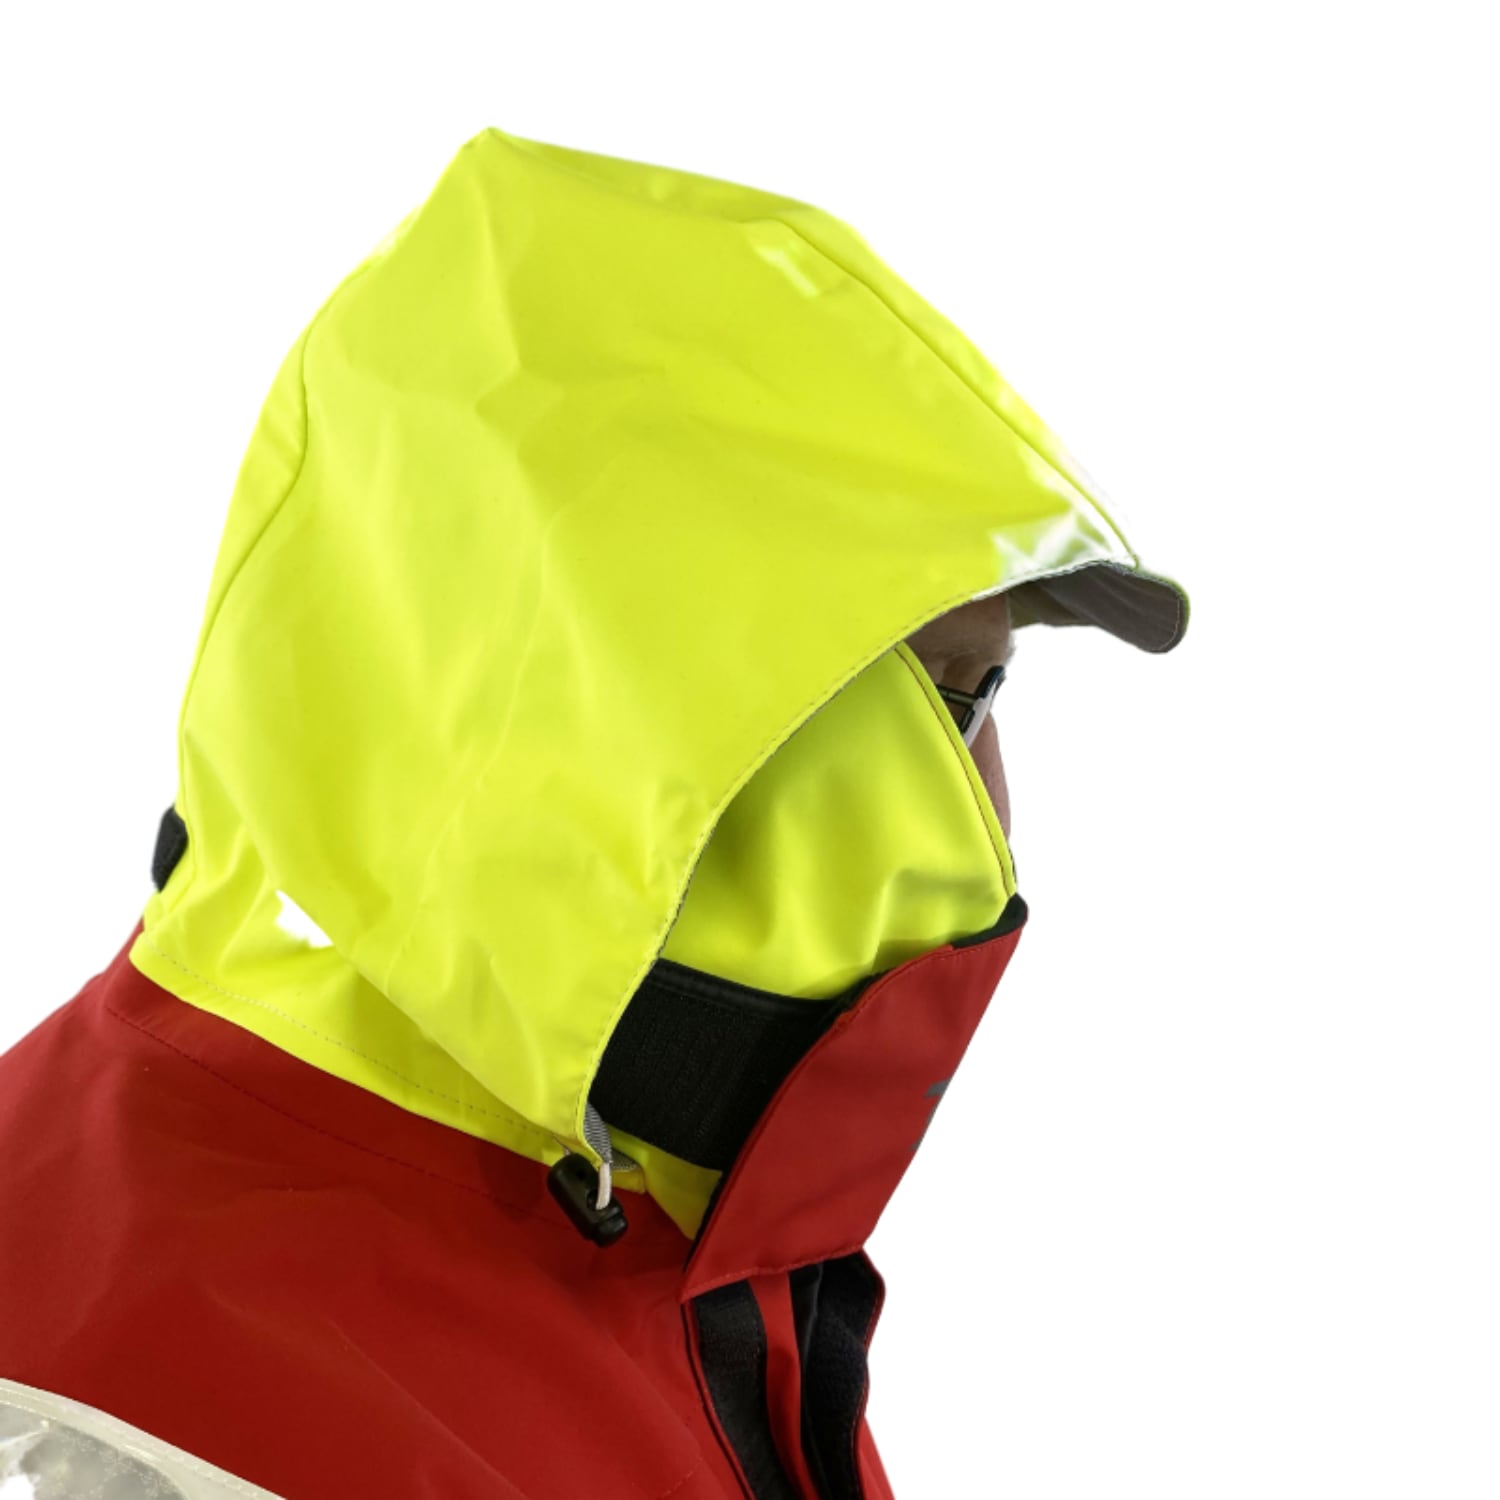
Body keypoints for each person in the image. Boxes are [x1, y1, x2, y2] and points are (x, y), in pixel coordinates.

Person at [0, 128, 1187, 1498]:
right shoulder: (142, 1435)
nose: (990, 813)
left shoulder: (657, 1231)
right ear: (621, 716)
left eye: (984, 697)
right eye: (936, 710)